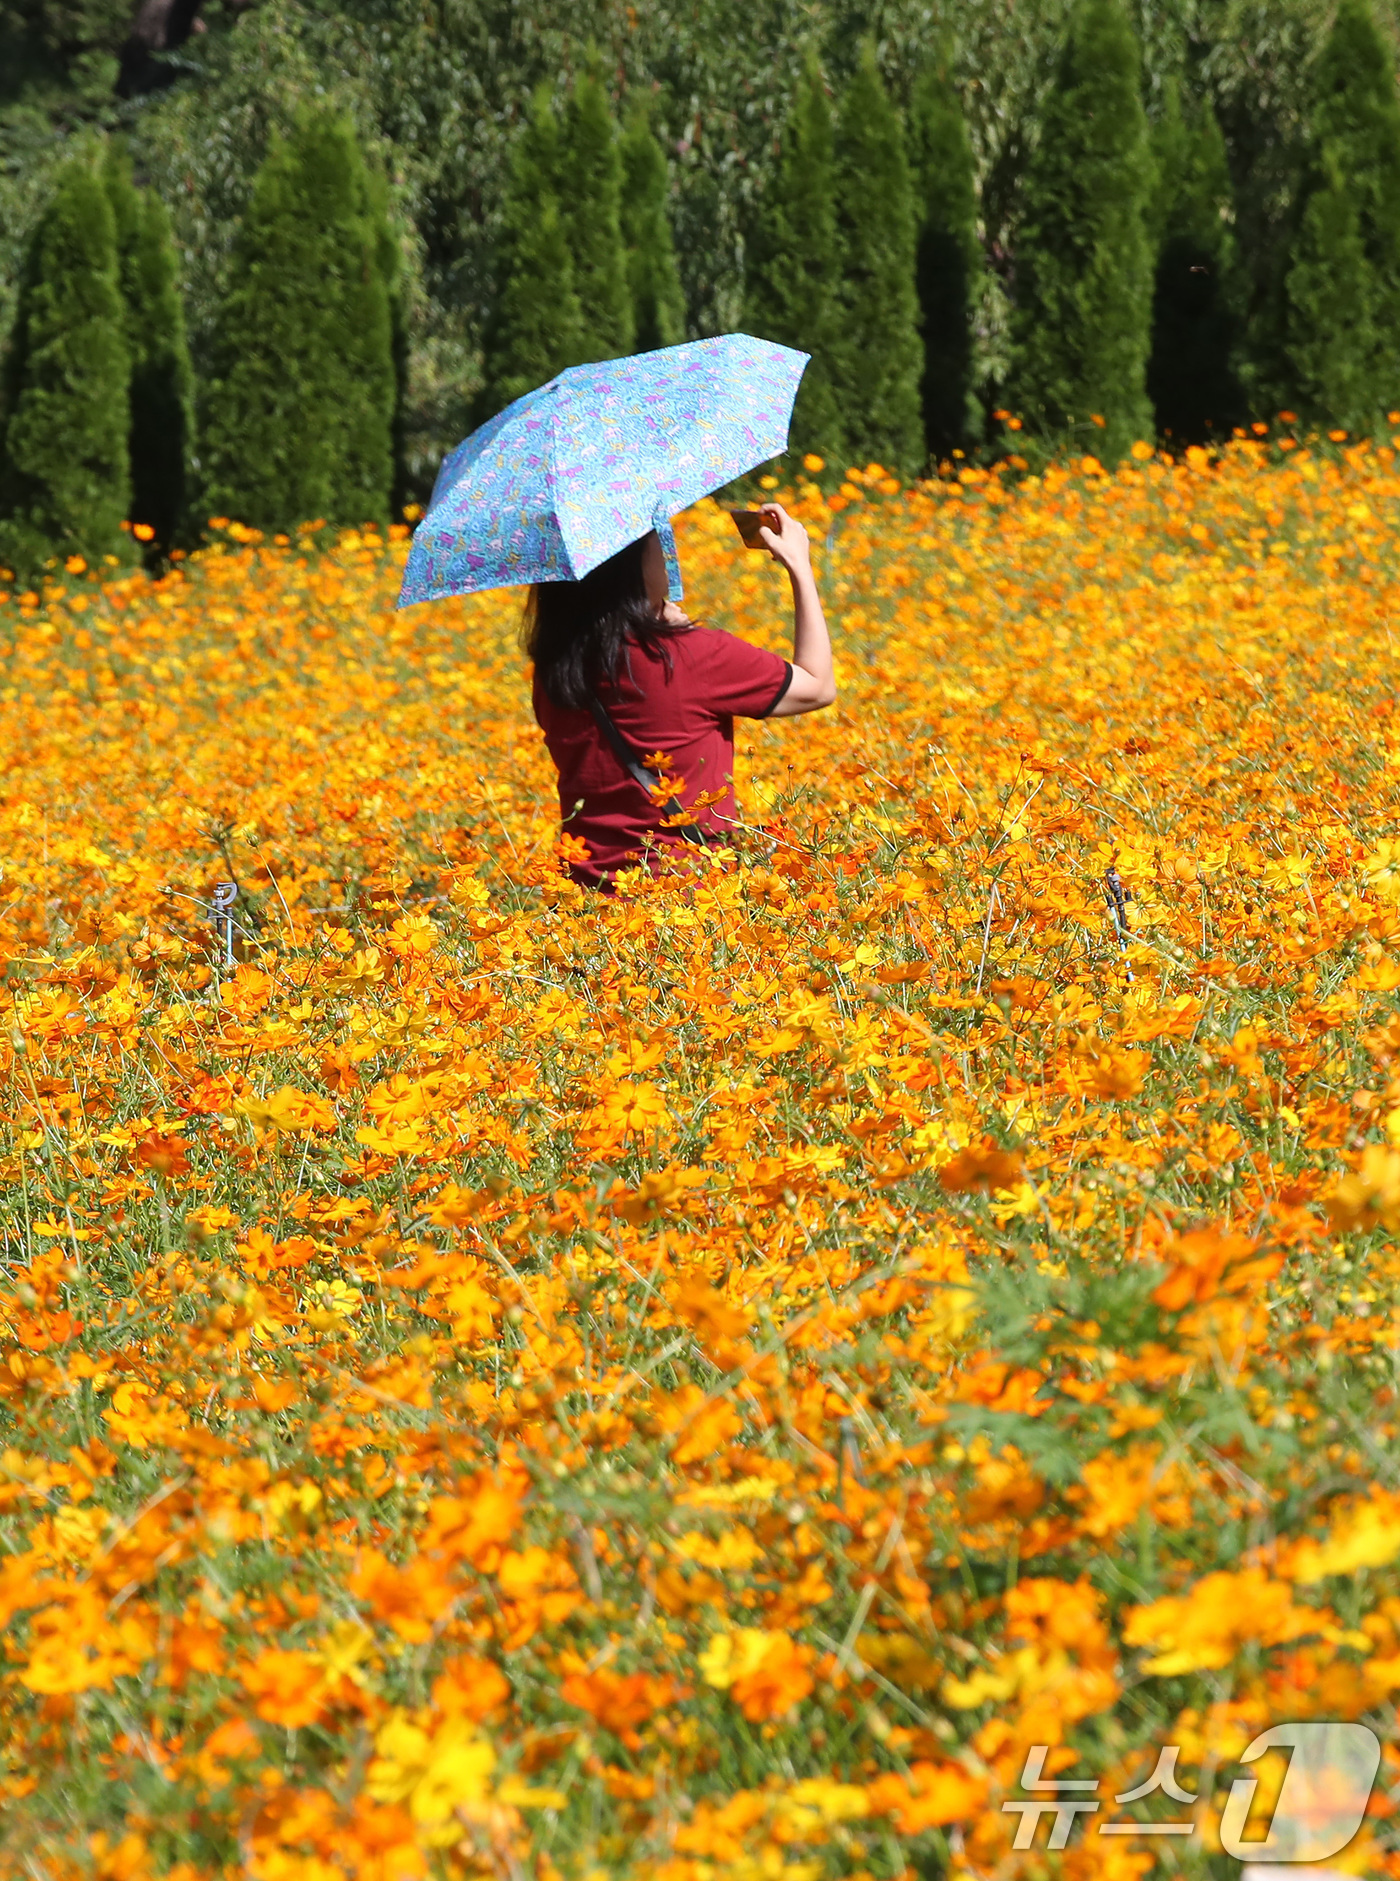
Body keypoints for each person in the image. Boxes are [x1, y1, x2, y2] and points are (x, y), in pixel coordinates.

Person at [528, 503, 835, 888]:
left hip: (585, 902)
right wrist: (799, 566)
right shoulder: (687, 656)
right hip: (685, 903)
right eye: (658, 541)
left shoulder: (553, 667)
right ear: (631, 568)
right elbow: (817, 685)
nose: (668, 553)